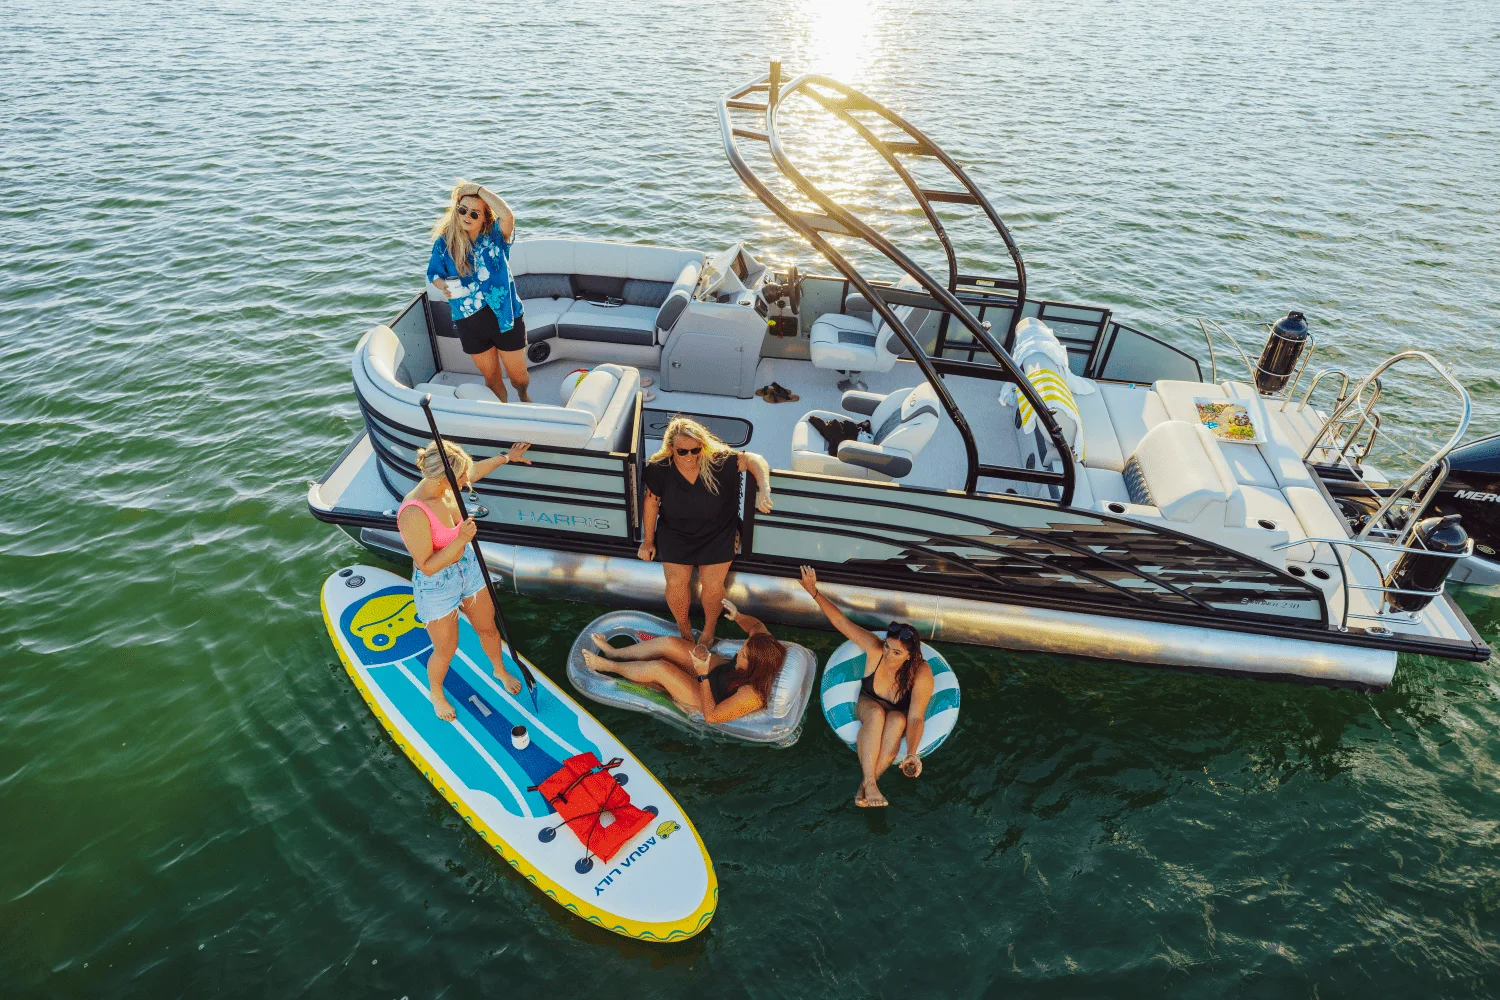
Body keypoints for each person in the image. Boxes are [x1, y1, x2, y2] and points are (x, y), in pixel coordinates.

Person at [397, 438, 533, 721]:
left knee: (488, 628)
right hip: (436, 585)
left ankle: (499, 669)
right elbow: (427, 566)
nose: (466, 482)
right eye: (461, 478)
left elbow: (475, 471)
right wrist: (460, 540)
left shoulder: (447, 484)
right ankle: (436, 693)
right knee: (446, 649)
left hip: (468, 569)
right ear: (443, 477)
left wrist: (506, 457)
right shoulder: (413, 511)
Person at [799, 565, 934, 808]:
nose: (888, 654)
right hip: (869, 702)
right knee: (876, 715)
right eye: (887, 647)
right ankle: (870, 784)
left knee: (898, 721)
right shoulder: (875, 649)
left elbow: (915, 717)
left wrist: (912, 753)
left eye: (896, 653)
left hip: (899, 713)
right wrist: (813, 591)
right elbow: (841, 621)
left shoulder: (921, 672)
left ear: (909, 656)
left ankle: (867, 785)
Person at [638, 417, 773, 648]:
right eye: (682, 451)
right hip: (676, 532)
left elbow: (754, 459)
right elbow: (651, 502)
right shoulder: (660, 468)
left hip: (718, 532)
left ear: (703, 446)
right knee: (675, 583)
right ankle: (684, 629)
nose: (690, 456)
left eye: (695, 450)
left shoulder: (719, 461)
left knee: (712, 587)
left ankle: (709, 630)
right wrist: (648, 541)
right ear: (671, 448)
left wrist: (764, 488)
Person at [582, 599, 786, 724]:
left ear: (754, 667)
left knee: (660, 667)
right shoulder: (765, 647)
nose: (739, 652)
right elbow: (756, 626)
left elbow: (712, 717)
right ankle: (614, 653)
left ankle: (608, 666)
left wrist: (703, 675)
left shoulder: (752, 695)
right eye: (743, 648)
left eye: (743, 655)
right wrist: (738, 616)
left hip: (706, 698)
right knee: (669, 643)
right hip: (720, 671)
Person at [426, 180, 530, 403]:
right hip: (469, 321)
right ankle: (504, 414)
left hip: (506, 316)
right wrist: (444, 287)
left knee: (519, 378)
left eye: (474, 213)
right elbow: (433, 274)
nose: (467, 216)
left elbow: (508, 216)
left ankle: (523, 396)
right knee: (492, 380)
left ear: (485, 218)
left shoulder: (495, 236)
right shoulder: (444, 243)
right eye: (462, 210)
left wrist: (477, 189)